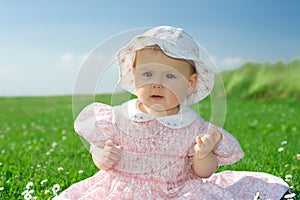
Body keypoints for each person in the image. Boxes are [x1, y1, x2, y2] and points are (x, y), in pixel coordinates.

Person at [54, 26, 290, 199]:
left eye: (169, 76)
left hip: (175, 190)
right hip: (121, 189)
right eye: (148, 74)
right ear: (134, 75)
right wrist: (101, 155)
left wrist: (203, 154)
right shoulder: (117, 117)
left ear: (190, 83)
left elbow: (202, 173)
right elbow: (102, 158)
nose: (157, 84)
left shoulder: (194, 127)